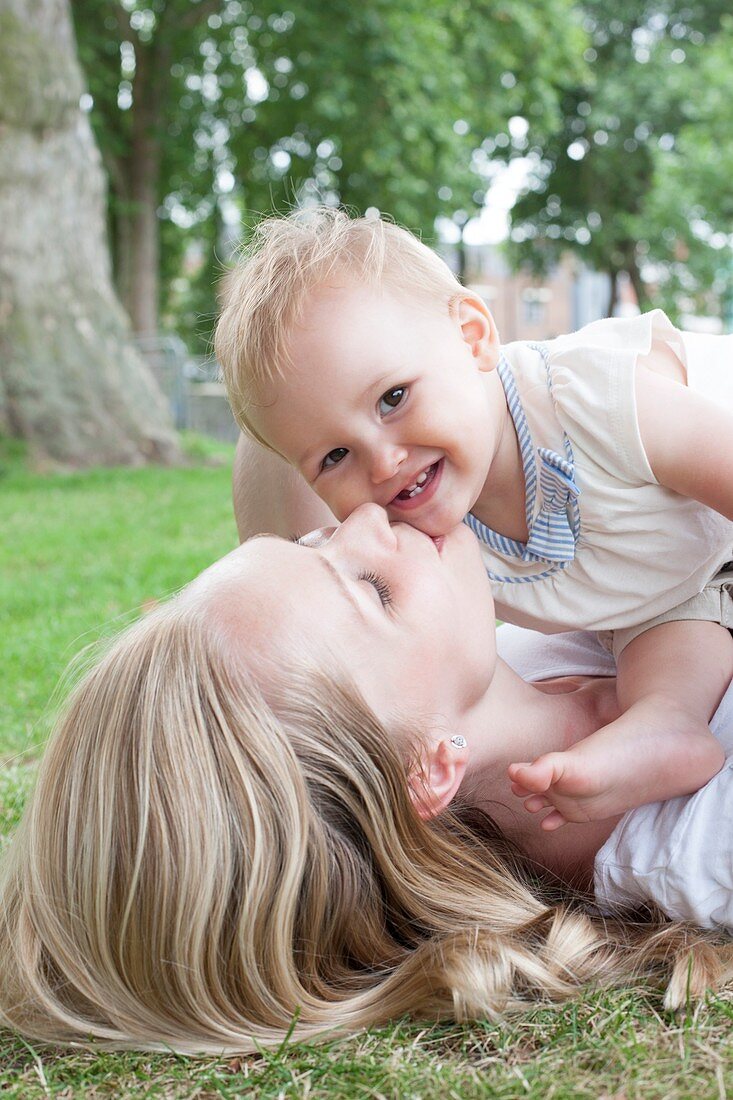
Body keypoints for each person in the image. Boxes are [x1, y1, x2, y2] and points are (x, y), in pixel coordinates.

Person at [1, 505, 732, 1054]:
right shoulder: (702, 835)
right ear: (426, 766)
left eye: (308, 540)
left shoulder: (505, 649)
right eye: (374, 589)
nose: (365, 515)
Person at [215, 206, 733, 829]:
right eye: (334, 455)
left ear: (472, 337)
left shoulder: (592, 401)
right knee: (664, 640)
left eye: (393, 398)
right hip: (680, 581)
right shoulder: (426, 536)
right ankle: (668, 726)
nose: (382, 462)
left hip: (709, 500)